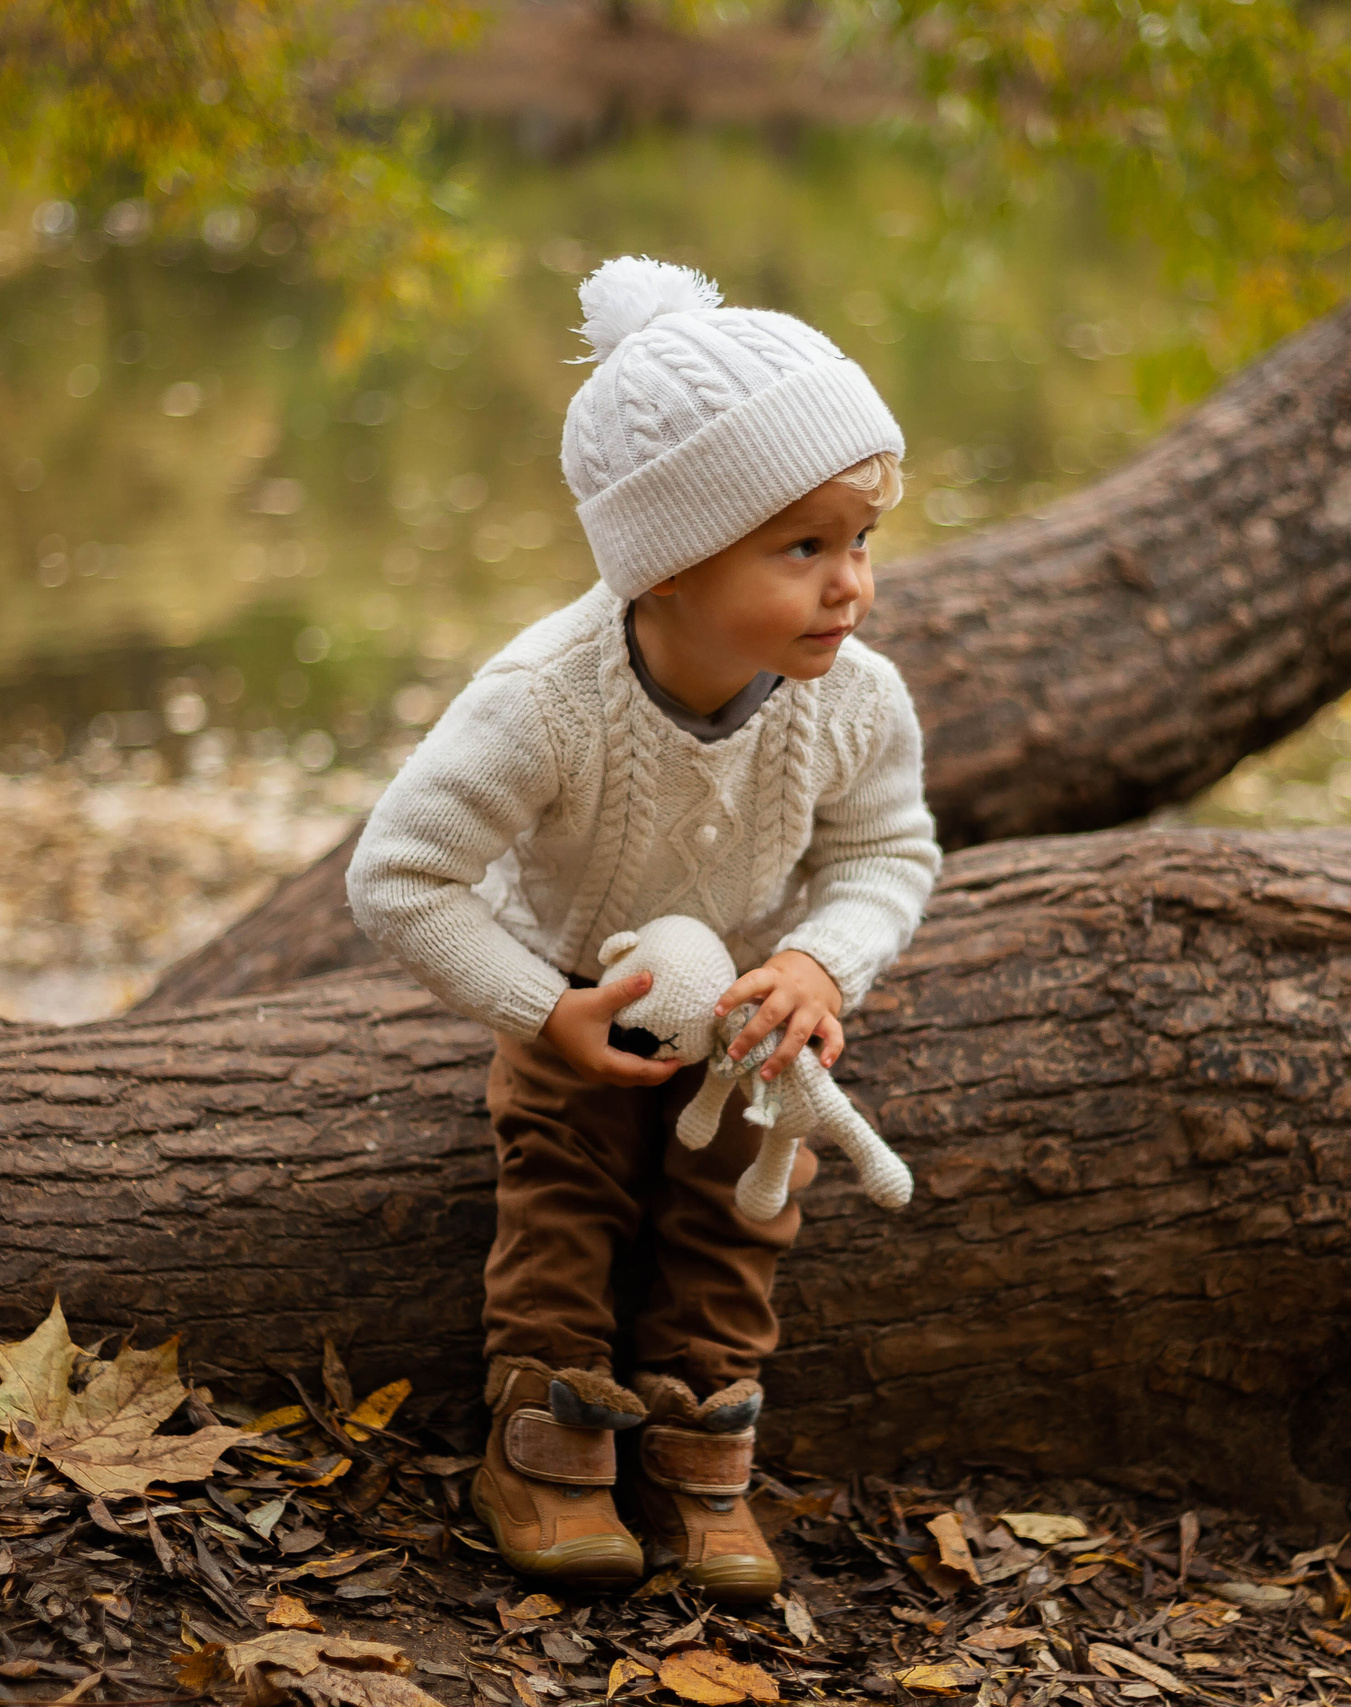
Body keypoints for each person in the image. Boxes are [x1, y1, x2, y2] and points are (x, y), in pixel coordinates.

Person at [346, 255, 940, 1601]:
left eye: (861, 540)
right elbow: (400, 874)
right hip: (579, 985)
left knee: (744, 1212)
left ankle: (702, 1440)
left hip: (740, 1008)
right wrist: (535, 1011)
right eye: (804, 548)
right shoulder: (546, 698)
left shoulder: (853, 699)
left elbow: (886, 849)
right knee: (565, 1191)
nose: (850, 584)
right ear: (667, 562)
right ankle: (545, 1446)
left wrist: (814, 961)